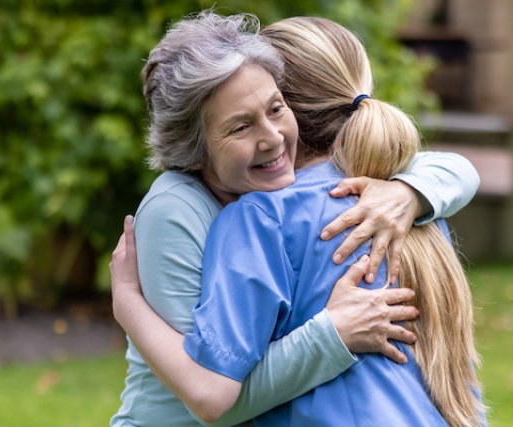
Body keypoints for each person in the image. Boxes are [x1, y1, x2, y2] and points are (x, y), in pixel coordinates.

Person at [110, 10, 481, 427]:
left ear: (294, 110)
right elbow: (208, 393)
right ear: (195, 148)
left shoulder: (384, 197)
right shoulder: (178, 212)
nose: (270, 137)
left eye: (275, 108)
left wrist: (409, 193)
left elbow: (455, 170)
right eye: (239, 126)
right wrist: (127, 303)